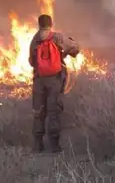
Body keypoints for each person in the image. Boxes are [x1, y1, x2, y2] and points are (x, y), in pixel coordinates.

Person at [28, 14, 79, 153]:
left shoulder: (35, 40)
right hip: (55, 80)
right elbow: (75, 49)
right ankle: (54, 146)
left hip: (39, 80)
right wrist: (64, 54)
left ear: (39, 25)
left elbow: (32, 61)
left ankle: (37, 145)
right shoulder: (58, 37)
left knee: (38, 112)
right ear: (51, 24)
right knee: (54, 111)